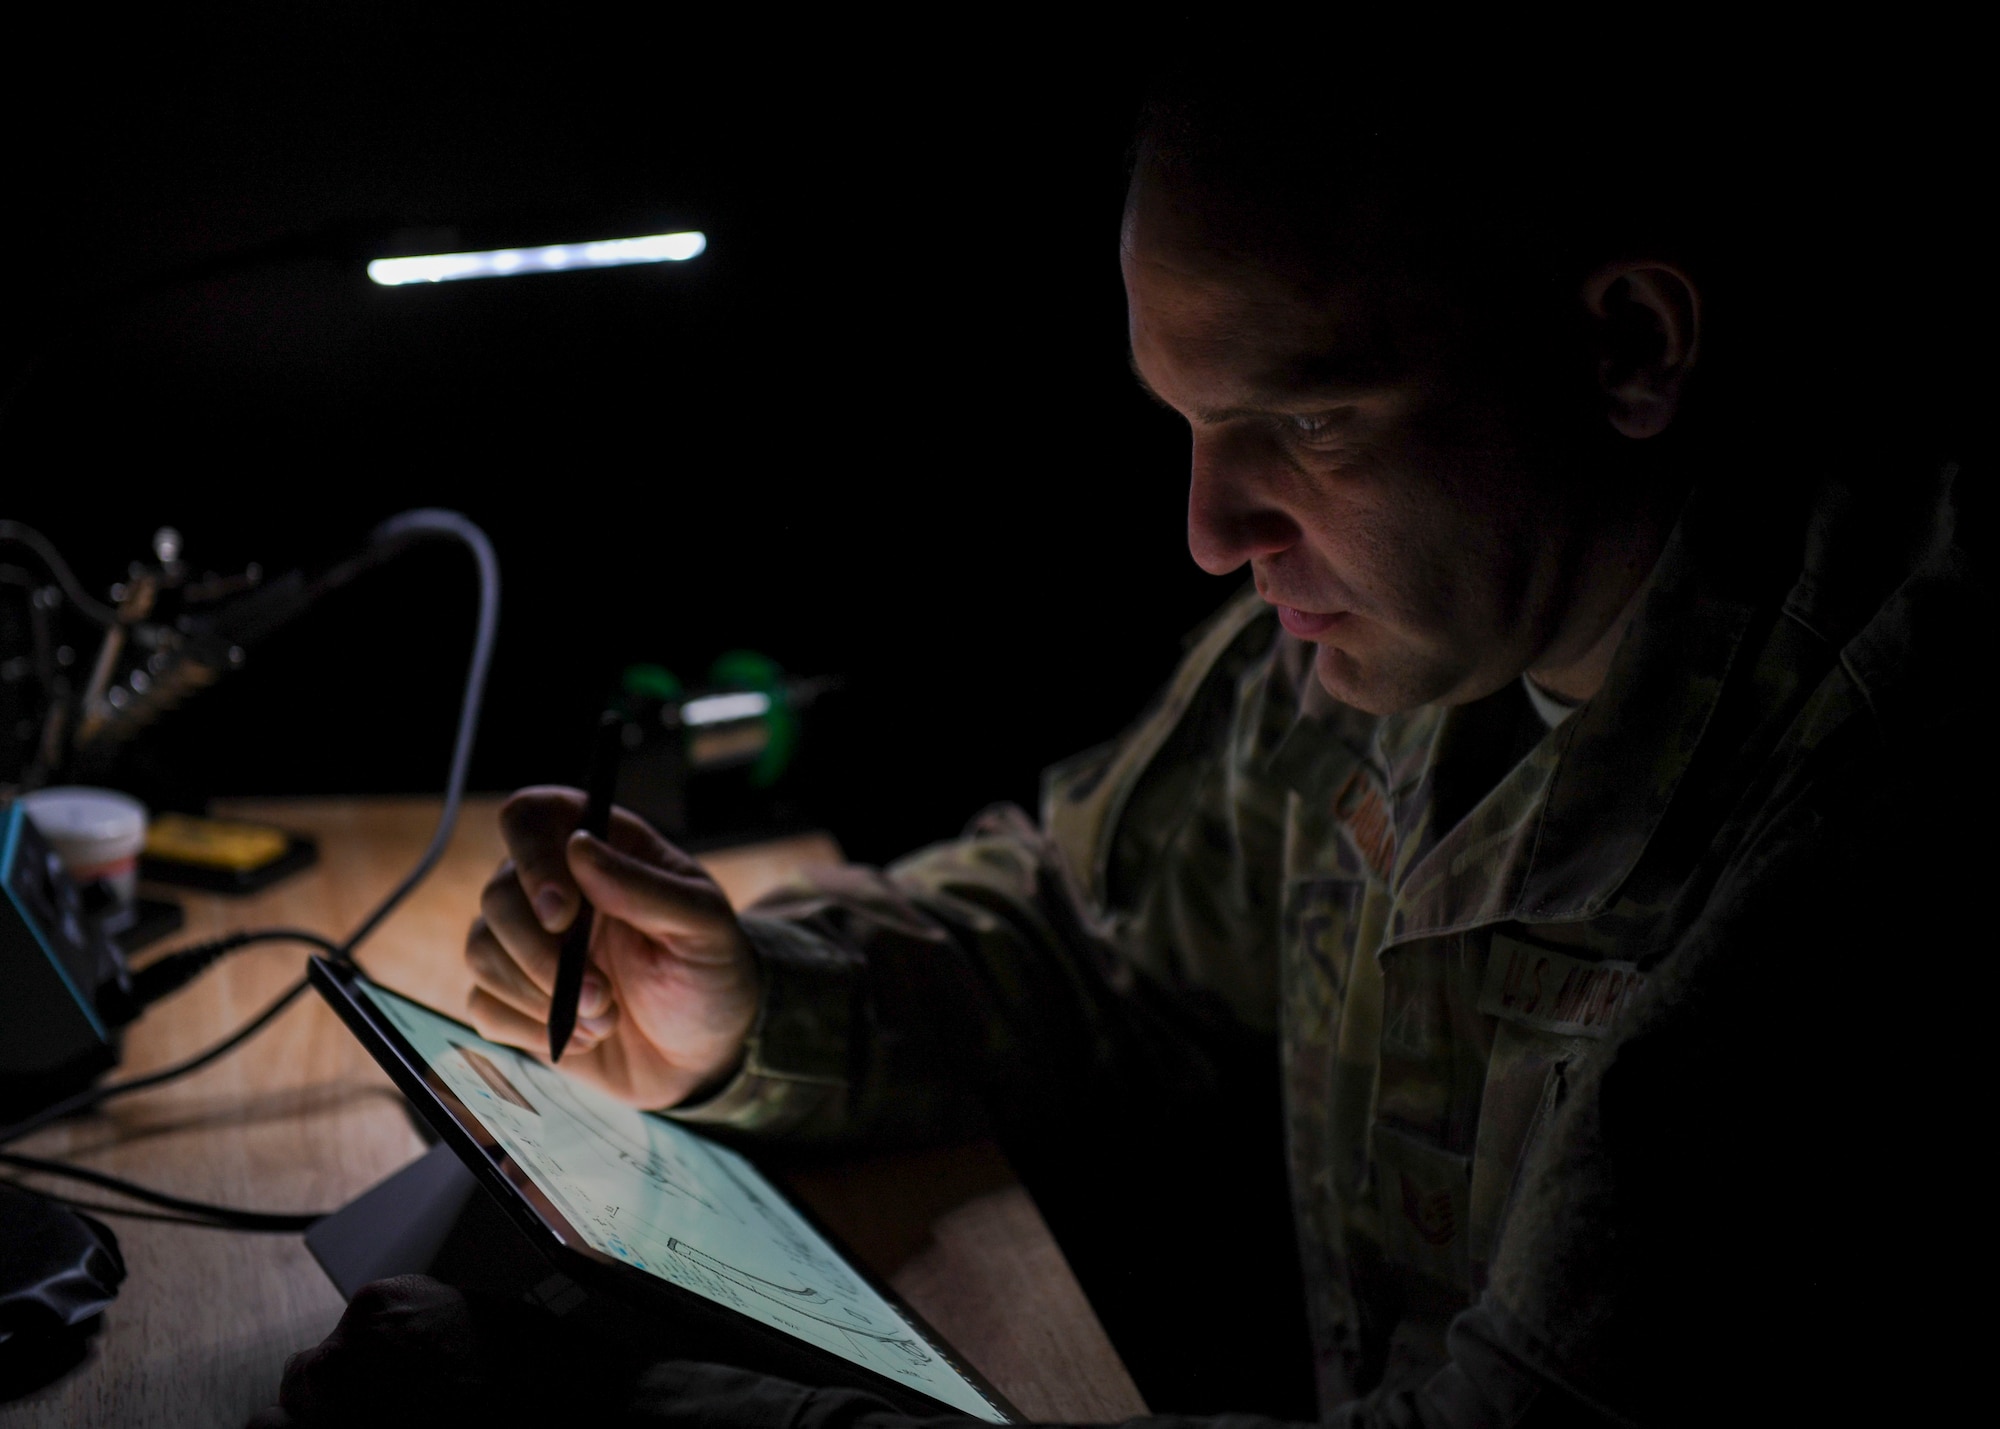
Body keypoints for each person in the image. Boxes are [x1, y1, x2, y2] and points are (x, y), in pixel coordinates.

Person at [252, 51, 1983, 1429]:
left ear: (1625, 347)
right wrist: (754, 1005)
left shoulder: (1863, 826)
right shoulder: (1419, 627)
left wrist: (621, 1408)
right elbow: (1098, 927)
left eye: (1304, 418)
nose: (1213, 530)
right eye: (1186, 425)